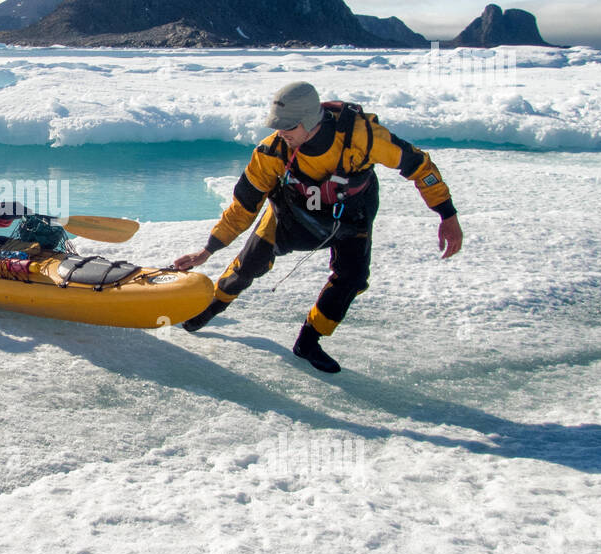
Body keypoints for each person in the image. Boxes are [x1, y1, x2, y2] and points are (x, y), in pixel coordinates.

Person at [173, 81, 463, 373]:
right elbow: (243, 207)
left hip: (351, 217)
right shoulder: (273, 152)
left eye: (289, 126)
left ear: (311, 120)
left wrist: (447, 215)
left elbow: (419, 166)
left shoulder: (362, 136)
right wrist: (208, 249)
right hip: (292, 215)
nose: (281, 132)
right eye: (278, 125)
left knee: (352, 278)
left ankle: (309, 341)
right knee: (249, 265)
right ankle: (212, 307)